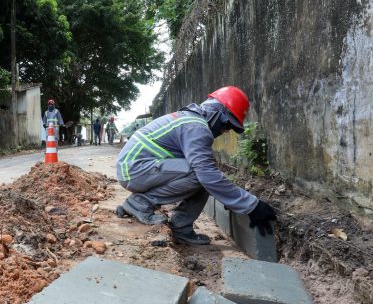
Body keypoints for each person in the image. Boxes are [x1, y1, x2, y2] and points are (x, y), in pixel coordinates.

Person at [114, 86, 276, 245]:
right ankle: (139, 204)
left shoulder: (191, 120)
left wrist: (230, 198)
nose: (226, 131)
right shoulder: (196, 128)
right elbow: (207, 174)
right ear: (217, 113)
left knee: (204, 174)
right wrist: (252, 206)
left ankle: (180, 227)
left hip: (137, 168)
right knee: (201, 173)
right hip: (134, 170)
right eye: (227, 125)